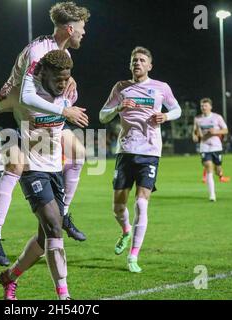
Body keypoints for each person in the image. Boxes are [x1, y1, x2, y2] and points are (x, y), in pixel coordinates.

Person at [0, 1, 90, 266]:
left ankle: (63, 213)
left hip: (33, 116)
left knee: (78, 154)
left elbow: (53, 90)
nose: (84, 33)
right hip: (8, 111)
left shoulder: (62, 54)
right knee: (16, 165)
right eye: (82, 28)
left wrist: (68, 92)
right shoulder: (40, 51)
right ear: (69, 28)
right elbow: (27, 96)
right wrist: (64, 112)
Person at [0, 50, 83, 300]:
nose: (63, 84)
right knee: (54, 229)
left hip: (54, 169)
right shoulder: (25, 95)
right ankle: (64, 296)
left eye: (67, 78)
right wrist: (8, 144)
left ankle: (9, 277)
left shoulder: (69, 92)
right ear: (44, 74)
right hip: (32, 170)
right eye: (58, 79)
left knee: (43, 236)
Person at [99, 47, 182, 273]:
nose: (137, 63)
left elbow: (177, 110)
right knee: (118, 207)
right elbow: (102, 115)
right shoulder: (120, 87)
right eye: (134, 59)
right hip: (125, 151)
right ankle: (126, 230)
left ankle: (133, 256)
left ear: (149, 66)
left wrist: (165, 115)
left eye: (142, 60)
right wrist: (118, 107)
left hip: (150, 151)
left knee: (141, 203)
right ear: (130, 65)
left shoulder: (161, 88)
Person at [193, 98, 230, 201]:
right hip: (204, 147)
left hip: (216, 147)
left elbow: (226, 130)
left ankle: (220, 174)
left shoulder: (217, 117)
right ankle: (212, 195)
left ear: (210, 107)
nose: (203, 108)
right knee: (209, 167)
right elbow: (195, 131)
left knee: (217, 170)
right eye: (202, 106)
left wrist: (216, 131)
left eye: (205, 106)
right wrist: (195, 136)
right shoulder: (198, 118)